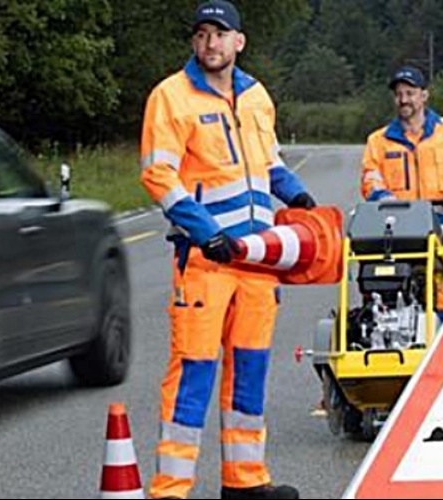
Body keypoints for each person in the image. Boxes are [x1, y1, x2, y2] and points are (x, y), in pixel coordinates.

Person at [139, 2, 314, 498]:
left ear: (239, 41)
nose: (209, 42)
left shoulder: (257, 97)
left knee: (250, 374)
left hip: (258, 262)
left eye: (220, 33)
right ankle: (170, 490)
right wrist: (201, 230)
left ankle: (245, 483)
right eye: (201, 34)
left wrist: (299, 197)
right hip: (205, 262)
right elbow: (158, 174)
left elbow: (270, 162)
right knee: (193, 372)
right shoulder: (171, 96)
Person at [360, 65, 443, 261]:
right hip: (399, 226)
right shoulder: (378, 140)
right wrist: (382, 196)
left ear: (424, 96)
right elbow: (370, 178)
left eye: (410, 93)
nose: (404, 100)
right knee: (390, 282)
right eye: (398, 94)